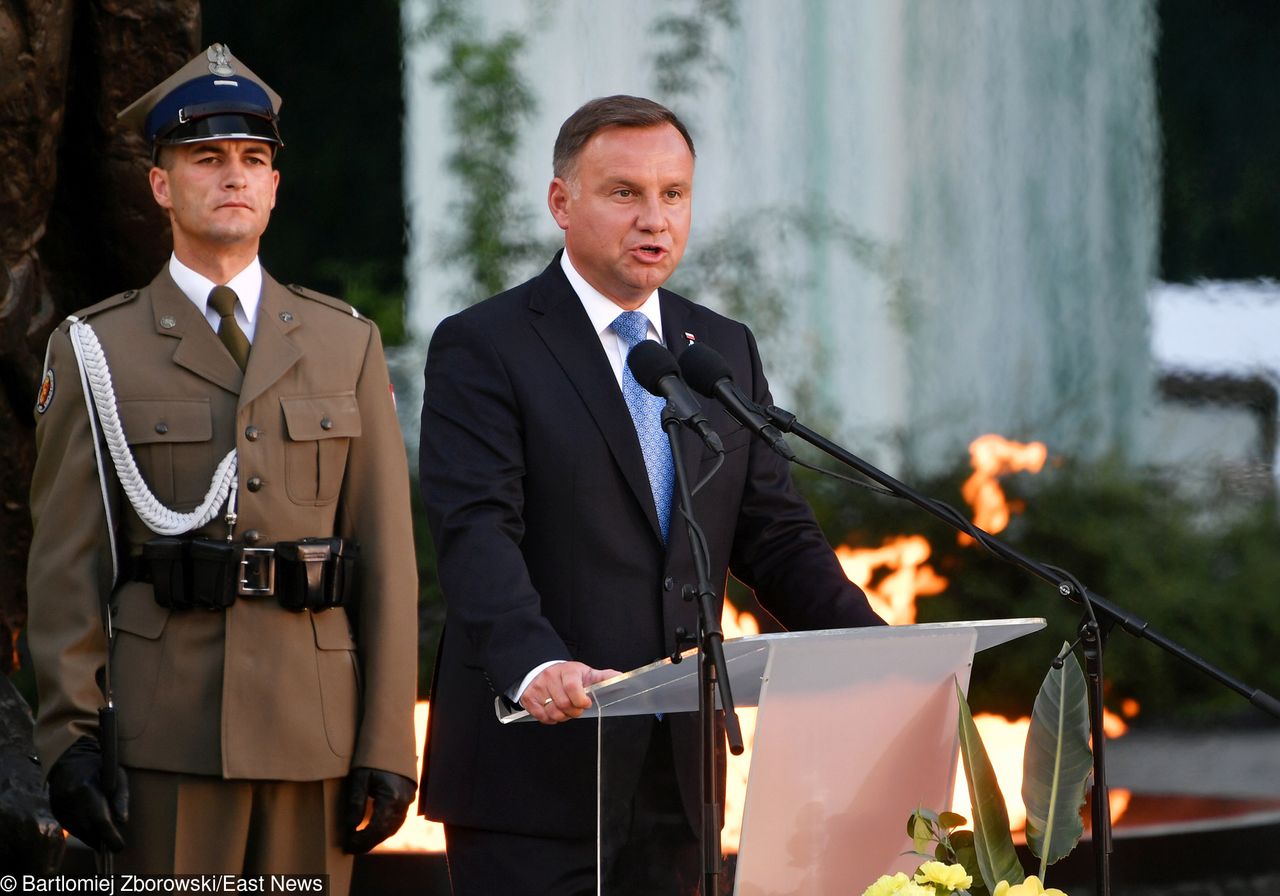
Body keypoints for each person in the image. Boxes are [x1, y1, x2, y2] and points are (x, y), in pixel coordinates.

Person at [418, 94, 887, 895]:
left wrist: (883, 654)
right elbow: (476, 532)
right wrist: (534, 664)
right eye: (624, 193)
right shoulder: (486, 346)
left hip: (680, 780)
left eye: (674, 195)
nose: (654, 220)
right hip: (537, 765)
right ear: (562, 202)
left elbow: (773, 536)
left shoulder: (719, 349)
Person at [26, 44, 419, 891]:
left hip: (313, 732)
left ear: (276, 185)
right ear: (162, 185)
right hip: (163, 736)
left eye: (253, 159)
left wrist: (389, 743)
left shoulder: (343, 342)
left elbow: (386, 558)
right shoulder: (98, 348)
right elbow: (67, 567)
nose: (233, 176)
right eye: (207, 158)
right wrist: (69, 739)